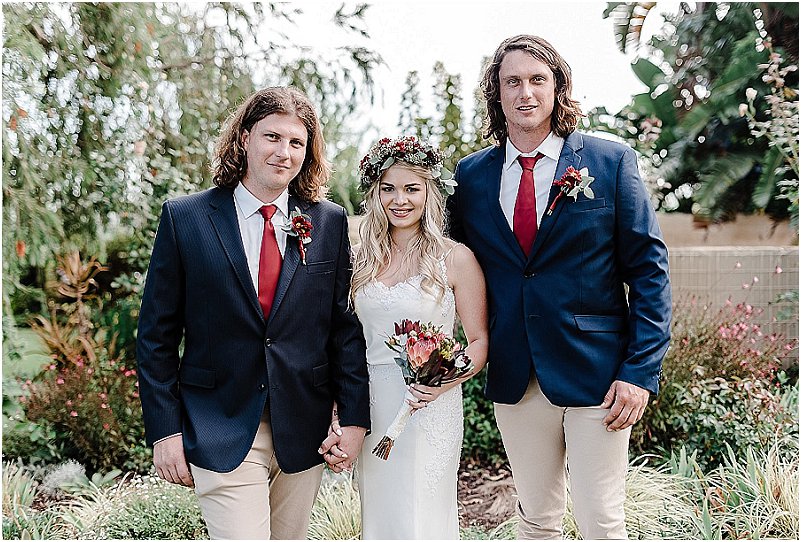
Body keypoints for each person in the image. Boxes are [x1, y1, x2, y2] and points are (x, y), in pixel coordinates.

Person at [446, 35, 672, 539]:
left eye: (537, 80)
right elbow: (450, 264)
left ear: (557, 87)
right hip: (516, 375)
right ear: (496, 93)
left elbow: (649, 272)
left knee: (601, 520)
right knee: (536, 519)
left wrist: (640, 371)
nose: (525, 92)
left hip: (600, 377)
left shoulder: (610, 162)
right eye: (512, 81)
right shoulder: (472, 176)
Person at [136, 86, 370, 540]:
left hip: (304, 427)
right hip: (219, 422)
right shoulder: (186, 218)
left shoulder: (328, 221)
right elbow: (155, 337)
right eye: (272, 137)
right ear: (245, 138)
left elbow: (344, 329)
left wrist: (354, 419)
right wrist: (164, 431)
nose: (284, 152)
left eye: (296, 142)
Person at [321, 136, 488, 539]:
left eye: (412, 188)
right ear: (375, 194)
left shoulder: (455, 258)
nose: (400, 200)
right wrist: (339, 410)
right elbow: (342, 341)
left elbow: (479, 341)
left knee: (422, 516)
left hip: (430, 406)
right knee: (382, 516)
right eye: (388, 189)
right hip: (371, 404)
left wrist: (442, 381)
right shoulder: (359, 259)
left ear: (429, 192)